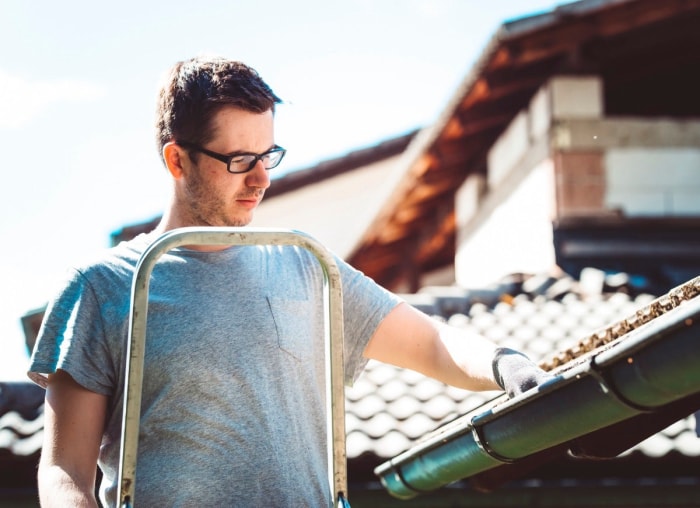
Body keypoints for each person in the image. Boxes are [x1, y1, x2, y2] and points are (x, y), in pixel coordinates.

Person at [28, 55, 550, 507]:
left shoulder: (307, 267)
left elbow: (432, 342)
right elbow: (64, 471)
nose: (261, 179)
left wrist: (508, 365)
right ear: (176, 159)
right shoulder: (105, 287)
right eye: (238, 160)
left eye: (268, 156)